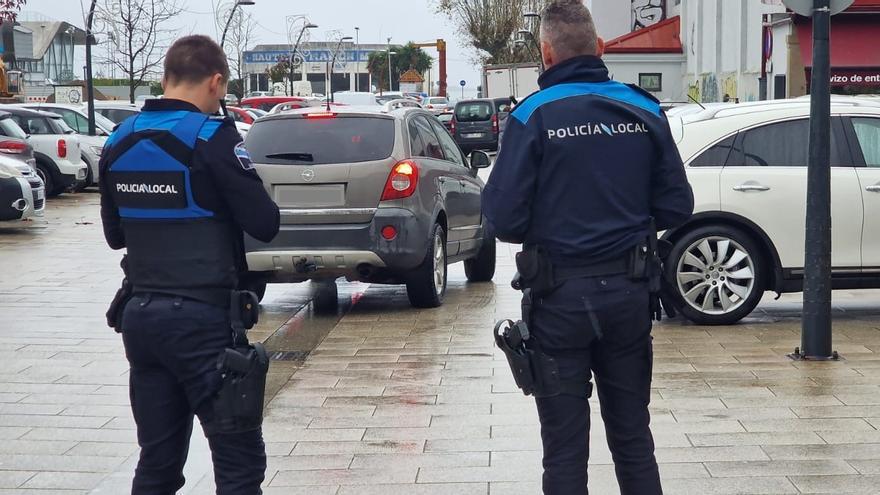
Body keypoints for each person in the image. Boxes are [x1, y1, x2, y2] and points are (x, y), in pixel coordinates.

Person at [483, 1, 694, 494]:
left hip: (560, 301)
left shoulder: (531, 115)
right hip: (628, 295)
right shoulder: (643, 109)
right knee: (634, 440)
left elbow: (503, 219)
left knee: (564, 450)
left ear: (545, 53)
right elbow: (677, 207)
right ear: (600, 49)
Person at [99, 35, 280, 494]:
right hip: (203, 322)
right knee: (238, 464)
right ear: (216, 82)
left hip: (141, 319)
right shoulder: (211, 137)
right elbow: (265, 222)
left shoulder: (118, 140)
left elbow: (115, 235)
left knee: (157, 464)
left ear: (166, 78)